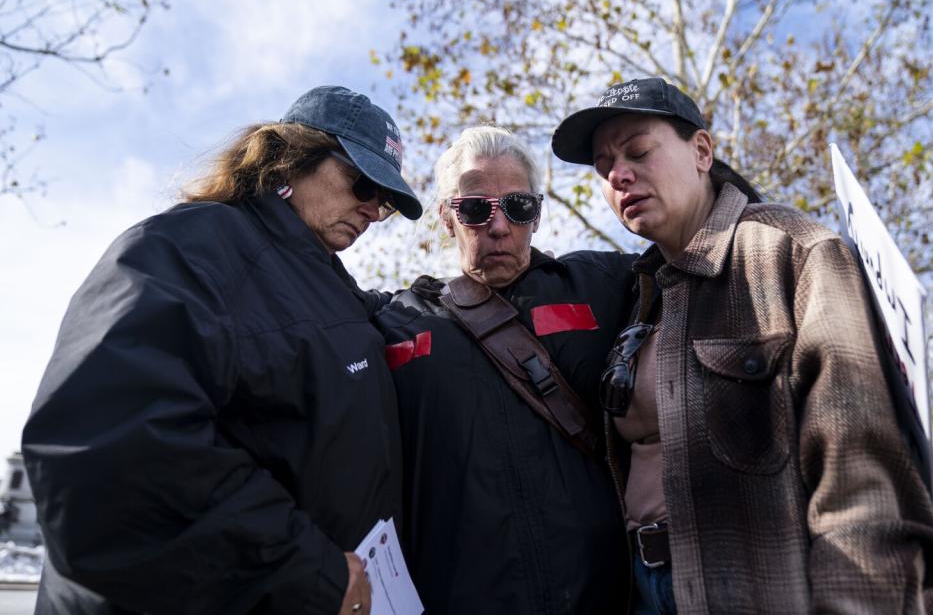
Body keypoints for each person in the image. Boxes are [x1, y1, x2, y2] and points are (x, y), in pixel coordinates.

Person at [551, 77, 933, 614]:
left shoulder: (795, 252)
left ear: (701, 150)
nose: (618, 175)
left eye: (638, 151)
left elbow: (864, 474)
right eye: (604, 168)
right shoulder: (638, 293)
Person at [21, 85, 423, 615]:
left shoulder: (330, 287)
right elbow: (105, 454)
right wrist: (307, 571)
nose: (373, 210)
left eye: (386, 202)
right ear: (289, 156)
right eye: (363, 184)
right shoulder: (190, 249)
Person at [372, 126, 634, 614]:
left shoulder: (605, 284)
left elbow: (703, 248)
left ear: (536, 214)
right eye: (475, 208)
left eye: (517, 207)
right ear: (447, 219)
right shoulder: (394, 322)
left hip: (607, 596)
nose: (498, 227)